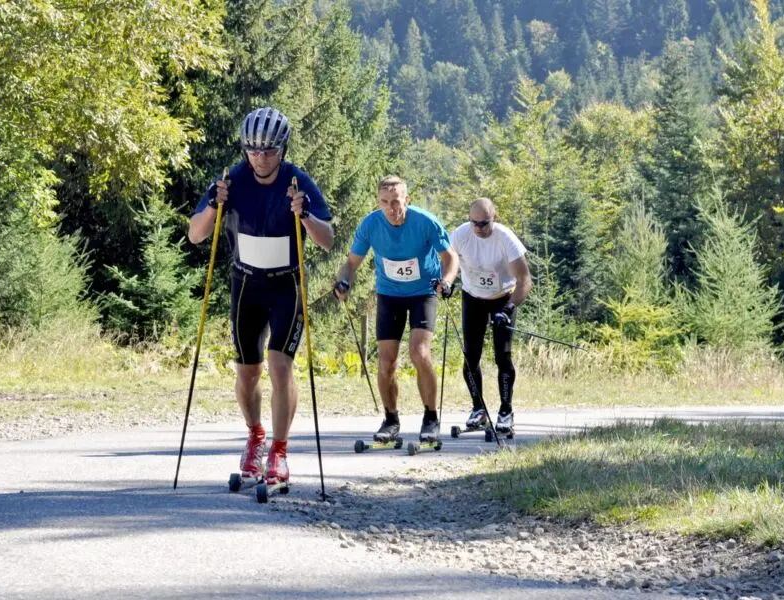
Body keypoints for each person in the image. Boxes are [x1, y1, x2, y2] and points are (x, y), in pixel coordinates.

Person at [188, 107, 334, 486]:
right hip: (246, 285)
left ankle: (280, 451)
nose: (261, 157)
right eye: (253, 150)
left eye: (269, 150)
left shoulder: (297, 181)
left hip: (286, 285)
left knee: (280, 366)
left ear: (282, 149)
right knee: (248, 372)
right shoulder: (230, 180)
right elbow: (196, 234)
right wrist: (215, 204)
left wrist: (304, 215)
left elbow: (327, 240)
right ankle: (255, 436)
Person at [333, 176, 458, 443]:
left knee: (419, 352)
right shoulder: (370, 224)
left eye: (396, 202)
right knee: (386, 361)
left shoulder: (425, 222)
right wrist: (343, 281)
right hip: (389, 293)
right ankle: (391, 419)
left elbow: (450, 258)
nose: (391, 208)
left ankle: (431, 417)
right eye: (384, 202)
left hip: (424, 292)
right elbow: (351, 263)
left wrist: (446, 282)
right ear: (378, 202)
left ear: (407, 200)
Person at [449, 198, 532, 435]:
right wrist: (446, 282)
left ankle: (506, 411)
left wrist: (508, 309)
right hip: (472, 298)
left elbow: (525, 281)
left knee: (502, 356)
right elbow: (449, 261)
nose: (478, 228)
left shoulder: (506, 239)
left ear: (494, 218)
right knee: (470, 356)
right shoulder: (460, 235)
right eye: (473, 222)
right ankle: (479, 409)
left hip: (502, 298)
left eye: (483, 223)